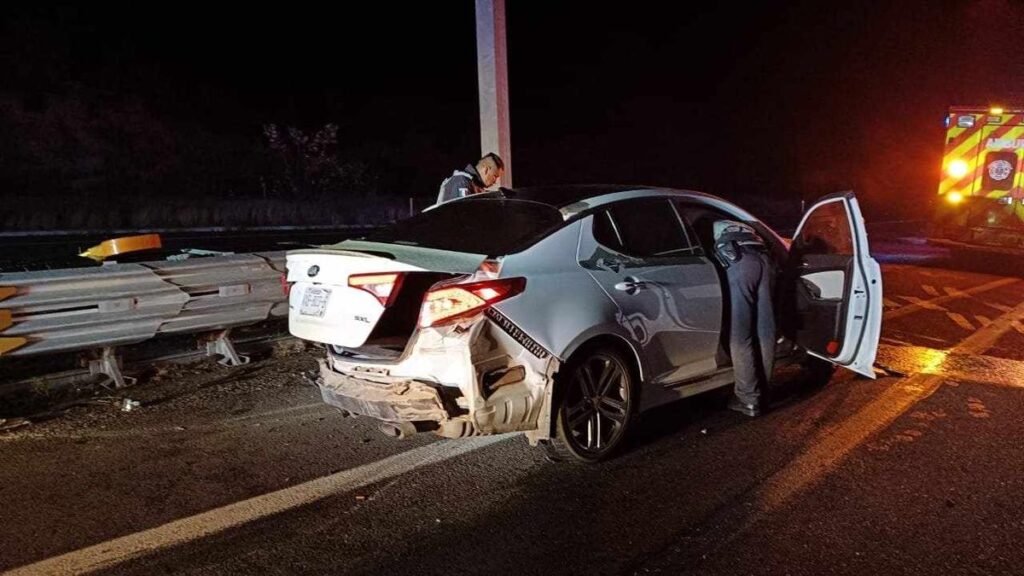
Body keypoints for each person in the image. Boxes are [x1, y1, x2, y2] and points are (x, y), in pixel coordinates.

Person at [712, 219, 776, 417]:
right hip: (764, 258)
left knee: (740, 335)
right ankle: (762, 393)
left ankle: (748, 398)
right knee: (766, 330)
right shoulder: (735, 221)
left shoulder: (709, 227)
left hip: (737, 260)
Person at [436, 153, 504, 205]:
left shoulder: (472, 184)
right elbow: (463, 212)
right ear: (486, 170)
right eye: (495, 176)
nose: (495, 181)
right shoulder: (462, 182)